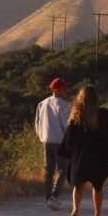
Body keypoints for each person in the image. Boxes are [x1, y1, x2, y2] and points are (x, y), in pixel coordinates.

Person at [57, 84, 108, 216]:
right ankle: (97, 214)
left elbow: (70, 138)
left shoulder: (76, 113)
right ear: (96, 98)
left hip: (81, 155)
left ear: (81, 97)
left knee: (78, 185)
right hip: (99, 155)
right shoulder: (104, 114)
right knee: (98, 185)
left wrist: (68, 152)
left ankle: (75, 211)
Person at [35, 77, 71, 209]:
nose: (67, 90)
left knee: (48, 171)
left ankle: (47, 198)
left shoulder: (42, 103)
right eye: (65, 88)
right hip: (61, 142)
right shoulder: (65, 106)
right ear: (58, 89)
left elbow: (37, 123)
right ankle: (54, 197)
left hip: (46, 141)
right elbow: (67, 127)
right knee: (62, 171)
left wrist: (42, 137)